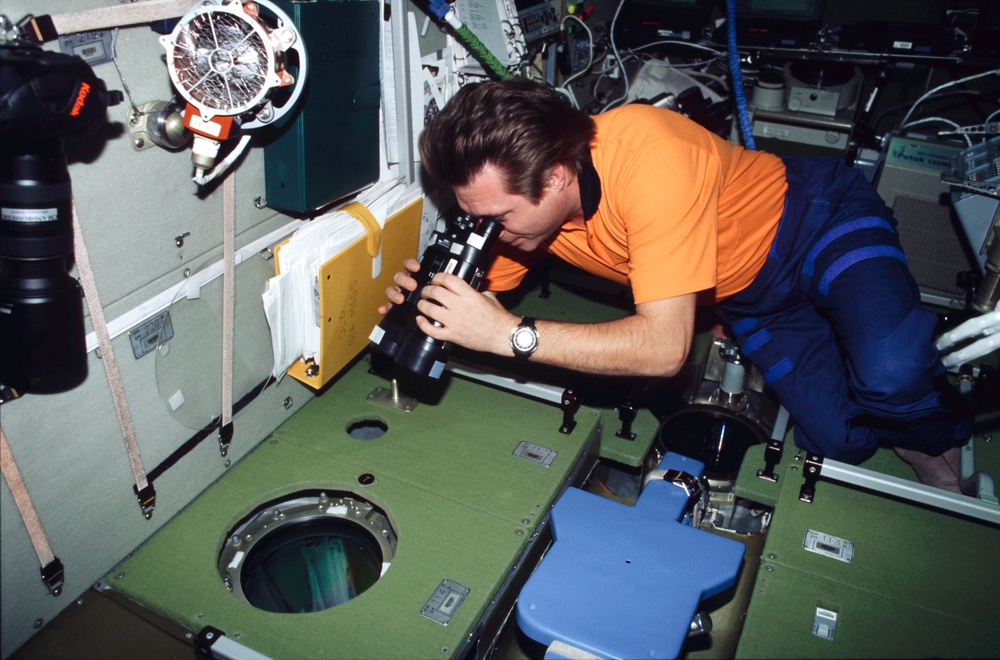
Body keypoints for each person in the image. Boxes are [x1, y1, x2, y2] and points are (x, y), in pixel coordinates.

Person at [379, 78, 972, 492]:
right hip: (748, 299)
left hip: (817, 221)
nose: (490, 232)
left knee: (892, 372)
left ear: (556, 175)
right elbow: (477, 306)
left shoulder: (647, 151)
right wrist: (424, 309)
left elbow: (665, 351)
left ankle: (936, 430)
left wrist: (512, 335)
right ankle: (865, 357)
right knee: (845, 444)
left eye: (497, 217)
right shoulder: (523, 223)